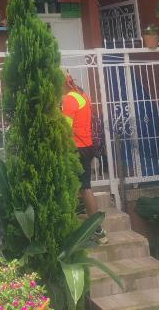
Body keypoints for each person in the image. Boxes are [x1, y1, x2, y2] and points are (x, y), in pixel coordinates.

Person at [61, 71, 108, 245]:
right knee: (81, 186)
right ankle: (86, 220)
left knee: (84, 187)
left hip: (77, 148)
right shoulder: (82, 95)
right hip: (87, 145)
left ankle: (97, 230)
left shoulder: (69, 99)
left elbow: (65, 129)